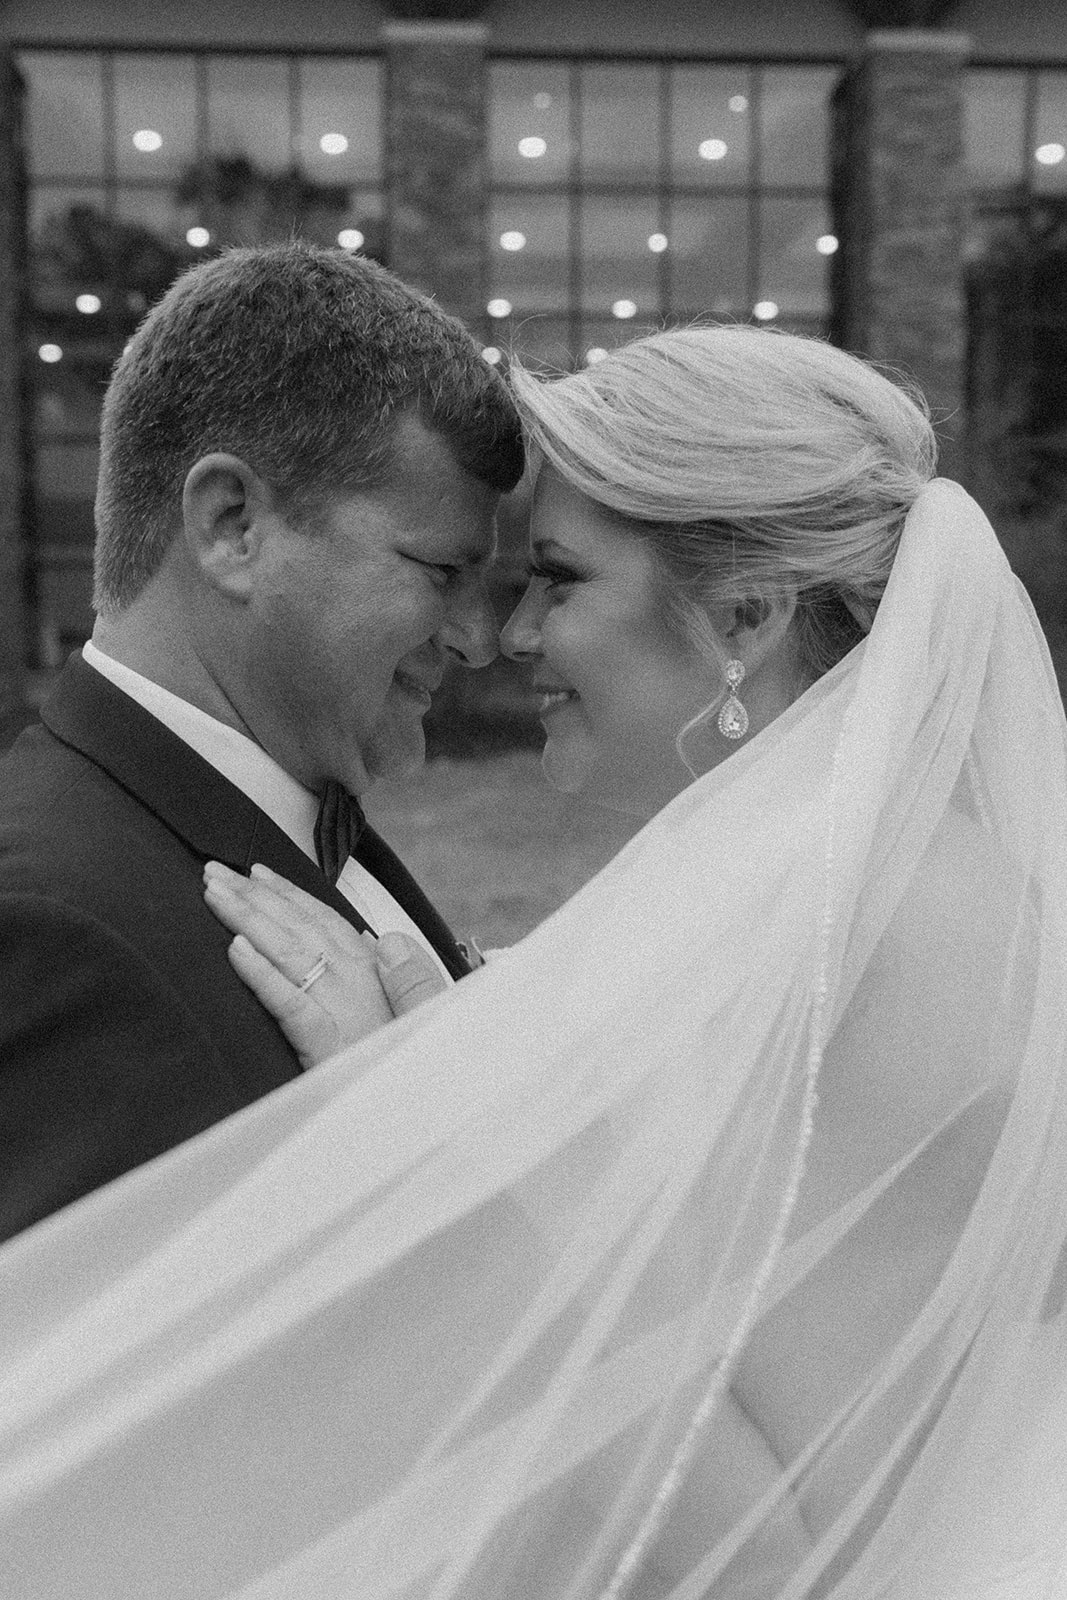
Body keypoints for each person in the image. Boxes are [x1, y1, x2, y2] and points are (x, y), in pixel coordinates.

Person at [3, 325, 1067, 1599]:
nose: (502, 634)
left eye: (554, 580)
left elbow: (786, 1552)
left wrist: (406, 1118)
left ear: (745, 612)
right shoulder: (801, 884)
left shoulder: (889, 933)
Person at [0, 241, 524, 1243]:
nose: (476, 638)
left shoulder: (280, 801)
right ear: (232, 524)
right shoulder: (50, 931)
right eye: (440, 571)